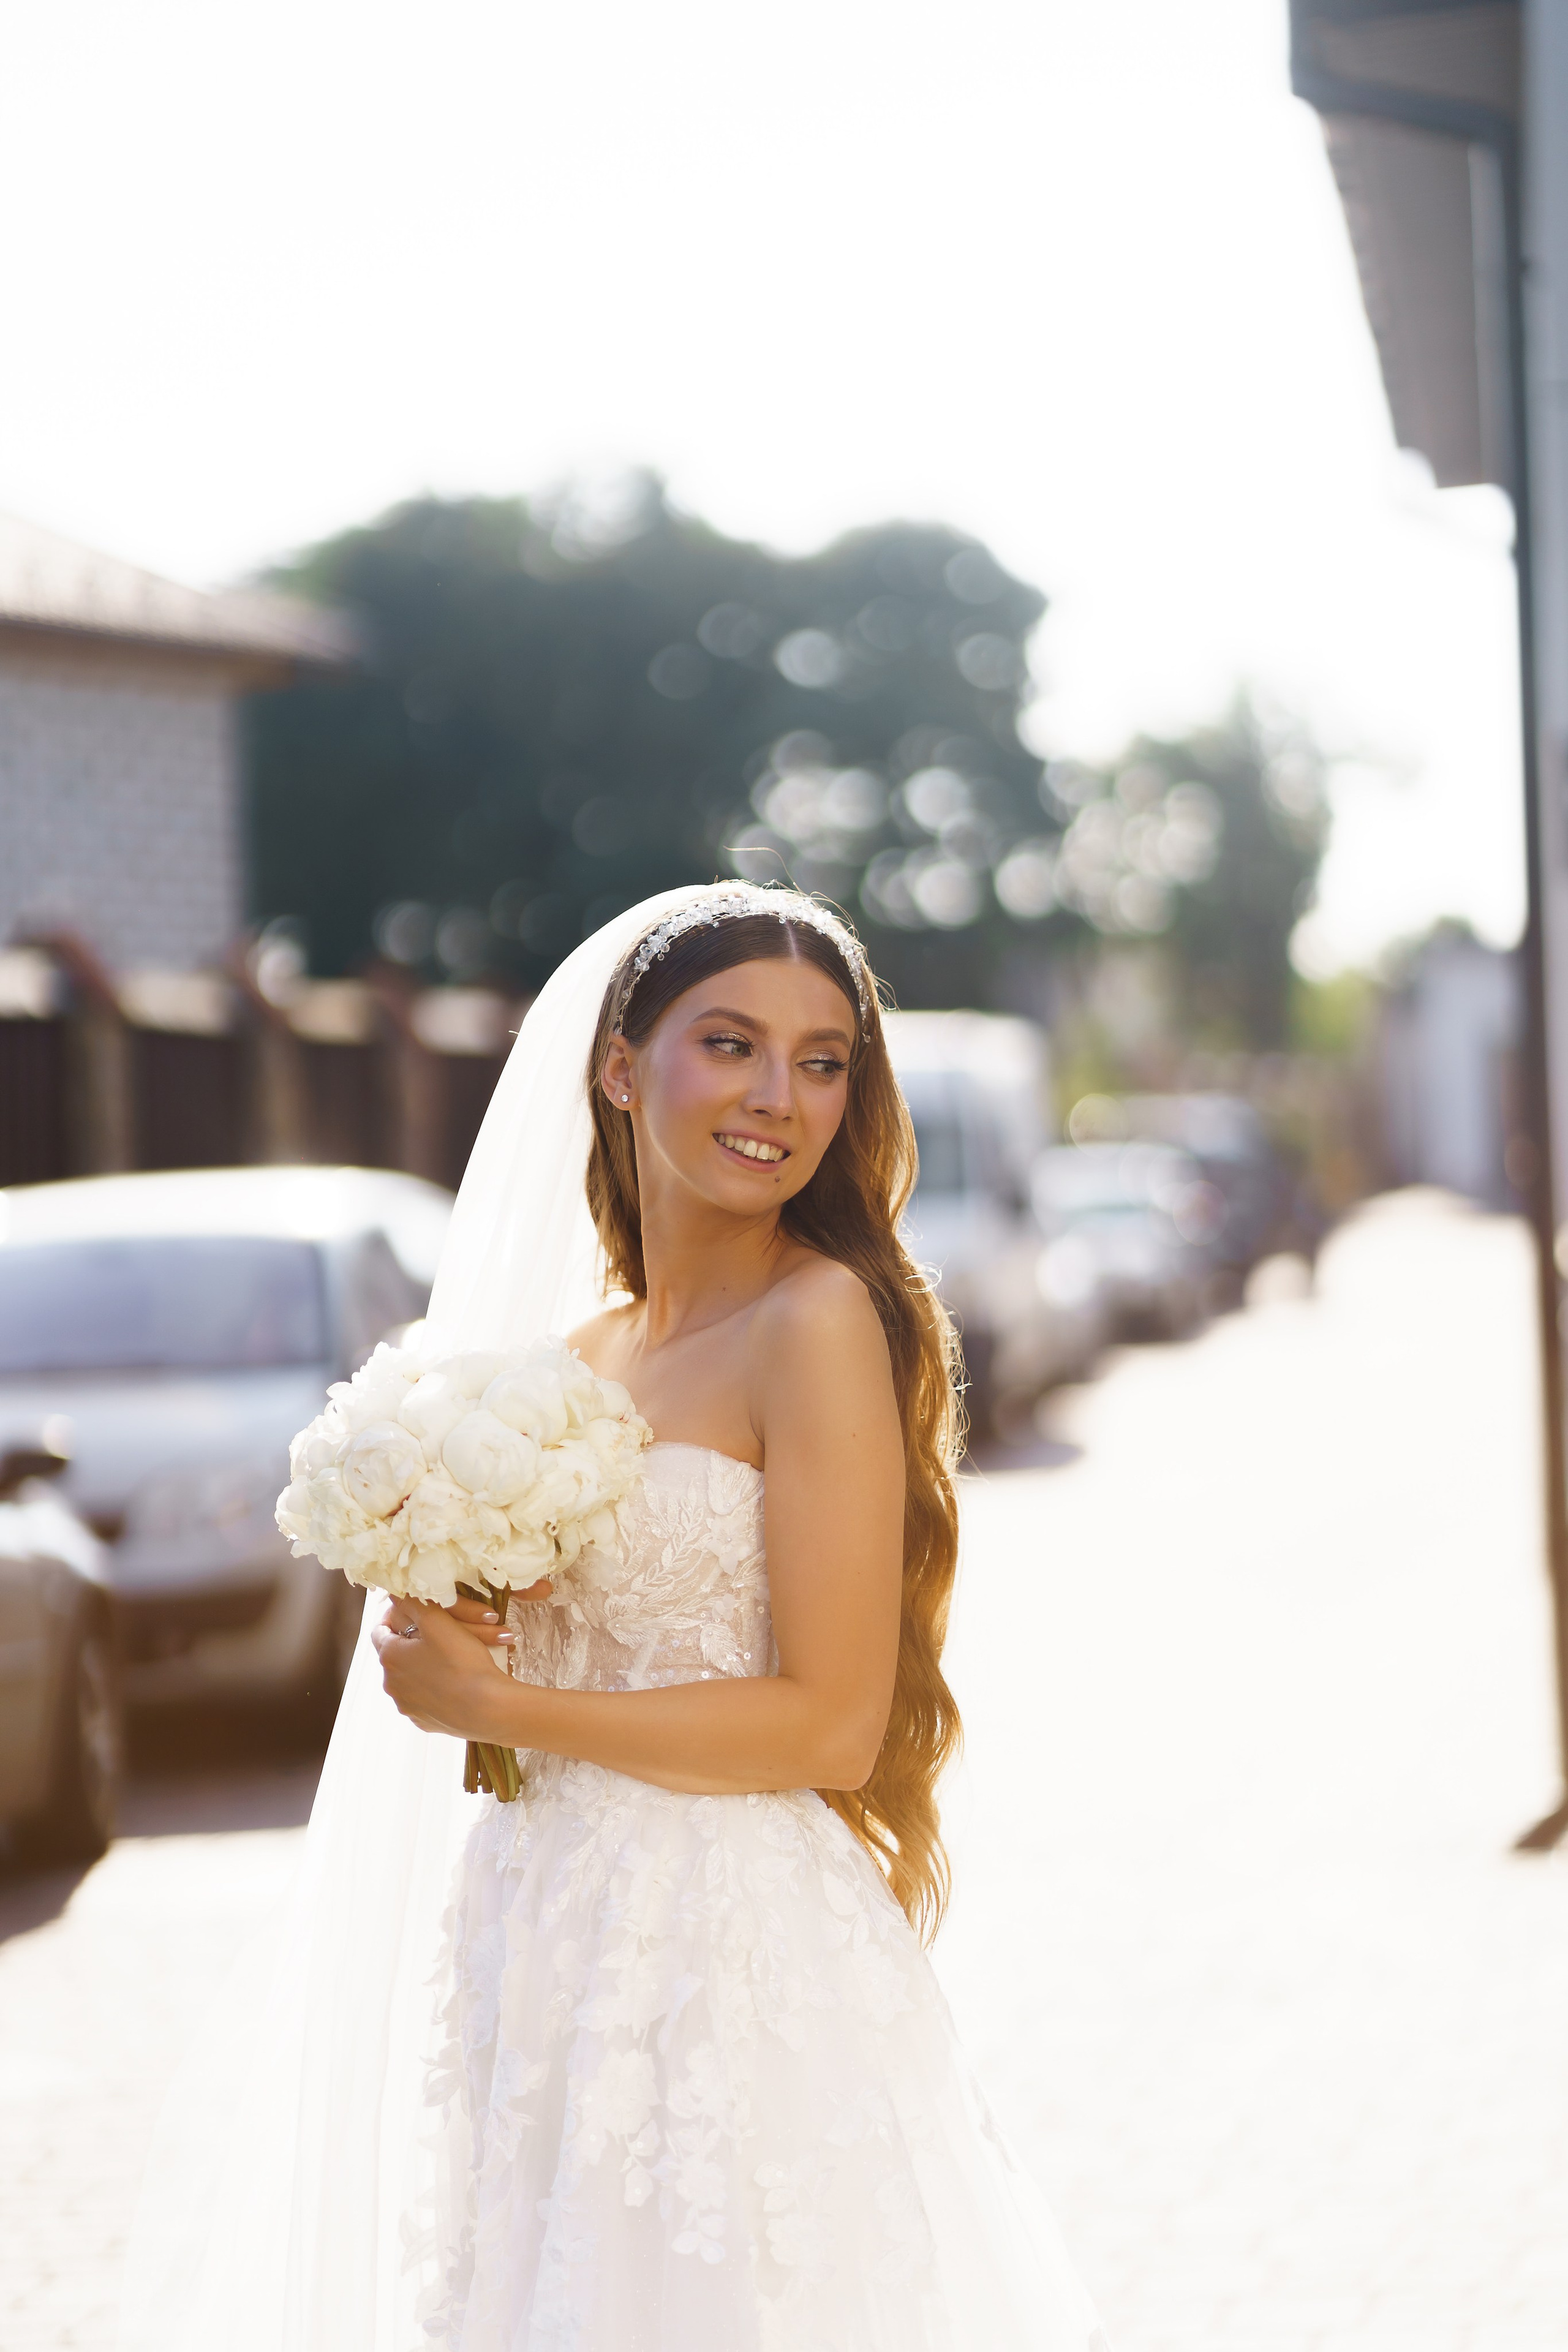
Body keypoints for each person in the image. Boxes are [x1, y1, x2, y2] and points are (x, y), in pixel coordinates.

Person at [118, 883, 1106, 2352]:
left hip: (724, 1952)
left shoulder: (817, 1320)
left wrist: (505, 1710)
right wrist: (439, 1618)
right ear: (618, 1064)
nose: (780, 1096)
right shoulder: (569, 1362)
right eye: (731, 1044)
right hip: (540, 1938)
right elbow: (516, 1641)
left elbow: (831, 1724)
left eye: (823, 1060)